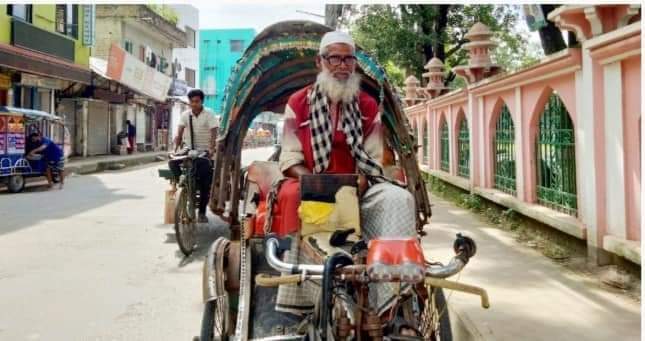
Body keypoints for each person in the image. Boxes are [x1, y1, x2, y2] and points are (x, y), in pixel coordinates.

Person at [274, 31, 418, 319]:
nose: (342, 65)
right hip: (311, 185)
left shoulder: (367, 105)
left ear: (354, 64)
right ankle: (303, 295)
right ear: (320, 62)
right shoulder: (298, 102)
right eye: (335, 58)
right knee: (289, 196)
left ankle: (387, 298)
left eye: (348, 59)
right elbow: (289, 158)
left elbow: (374, 158)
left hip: (360, 188)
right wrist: (322, 186)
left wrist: (356, 185)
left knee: (399, 198)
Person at [168, 89, 219, 223]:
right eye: (192, 101)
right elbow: (179, 134)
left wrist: (212, 149)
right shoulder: (185, 115)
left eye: (197, 101)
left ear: (202, 101)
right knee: (172, 162)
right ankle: (182, 183)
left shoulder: (209, 114)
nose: (194, 104)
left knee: (205, 183)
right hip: (189, 148)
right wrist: (175, 148)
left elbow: (214, 132)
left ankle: (202, 212)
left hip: (205, 151)